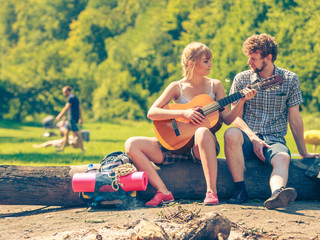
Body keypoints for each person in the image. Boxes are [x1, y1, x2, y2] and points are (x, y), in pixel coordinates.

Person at [125, 42, 256, 207]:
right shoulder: (176, 87)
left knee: (201, 131)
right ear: (191, 63)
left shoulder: (215, 85)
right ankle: (164, 192)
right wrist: (182, 113)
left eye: (210, 61)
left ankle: (211, 191)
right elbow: (152, 112)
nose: (211, 65)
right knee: (131, 144)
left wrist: (241, 101)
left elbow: (227, 119)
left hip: (201, 148)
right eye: (206, 61)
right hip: (177, 146)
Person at [224, 33, 319, 210]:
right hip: (246, 139)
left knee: (283, 157)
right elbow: (235, 118)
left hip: (274, 140)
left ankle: (277, 194)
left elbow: (295, 119)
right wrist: (253, 138)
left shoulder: (290, 79)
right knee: (231, 133)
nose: (249, 63)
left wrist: (303, 152)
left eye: (253, 58)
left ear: (268, 58)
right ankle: (240, 191)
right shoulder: (241, 79)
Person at [55, 85, 84, 152]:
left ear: (68, 91)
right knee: (66, 133)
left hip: (72, 118)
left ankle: (82, 149)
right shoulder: (75, 97)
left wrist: (59, 116)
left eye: (64, 92)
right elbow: (79, 108)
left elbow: (66, 107)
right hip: (72, 118)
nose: (64, 94)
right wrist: (80, 118)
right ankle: (62, 149)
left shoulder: (71, 98)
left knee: (77, 133)